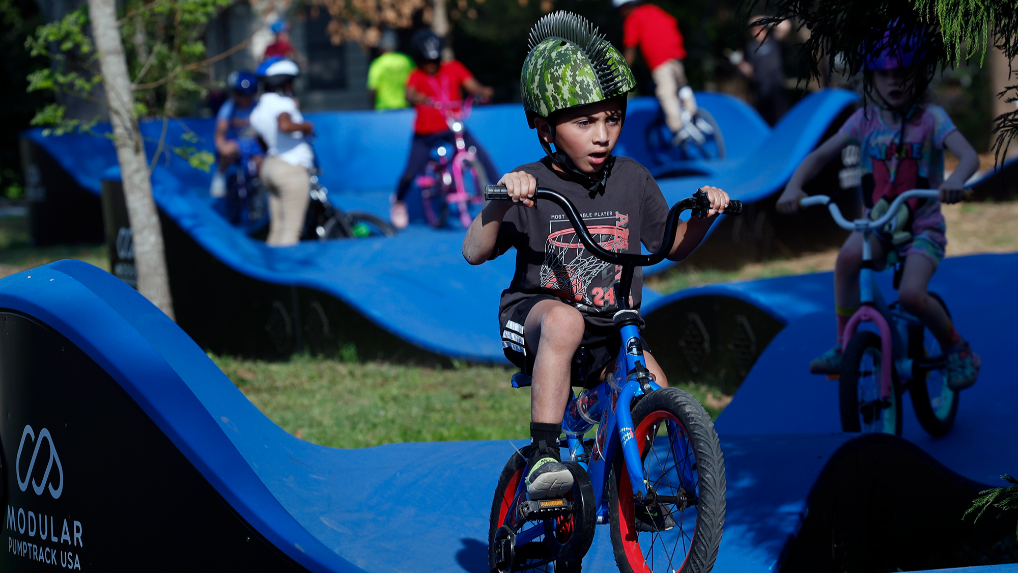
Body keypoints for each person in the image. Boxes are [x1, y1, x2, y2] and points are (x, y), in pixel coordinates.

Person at [461, 11, 731, 499]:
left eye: (612, 118)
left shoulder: (632, 179)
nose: (603, 134)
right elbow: (473, 251)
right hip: (537, 322)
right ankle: (545, 455)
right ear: (546, 129)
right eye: (584, 122)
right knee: (565, 322)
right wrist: (500, 200)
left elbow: (669, 245)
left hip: (610, 332)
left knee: (652, 380)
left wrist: (706, 215)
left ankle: (623, 485)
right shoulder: (531, 183)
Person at [775, 27, 981, 390]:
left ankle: (958, 348)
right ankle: (844, 344)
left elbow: (967, 155)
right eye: (883, 74)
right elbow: (820, 156)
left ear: (919, 75)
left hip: (922, 229)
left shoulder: (931, 119)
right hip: (878, 225)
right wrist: (795, 185)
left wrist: (955, 180)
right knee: (846, 261)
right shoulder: (863, 121)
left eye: (902, 73)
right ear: (870, 79)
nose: (893, 81)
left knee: (911, 296)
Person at [389, 29, 498, 229]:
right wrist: (416, 97)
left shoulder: (453, 68)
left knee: (480, 155)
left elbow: (471, 84)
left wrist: (483, 91)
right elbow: (409, 93)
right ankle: (398, 201)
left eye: (435, 60)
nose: (431, 66)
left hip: (452, 126)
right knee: (410, 173)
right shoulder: (416, 75)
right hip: (425, 132)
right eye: (425, 61)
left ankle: (503, 194)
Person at [250, 58, 315, 246]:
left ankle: (270, 272)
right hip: (290, 168)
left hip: (271, 166)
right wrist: (306, 126)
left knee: (278, 228)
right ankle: (287, 274)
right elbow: (284, 124)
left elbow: (261, 139)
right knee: (291, 230)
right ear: (285, 82)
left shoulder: (260, 107)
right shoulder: (282, 103)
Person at [614, 0, 696, 143]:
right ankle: (694, 115)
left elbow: (630, 47)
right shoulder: (653, 9)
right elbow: (672, 22)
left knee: (665, 92)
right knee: (681, 84)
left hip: (659, 59)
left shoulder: (633, 18)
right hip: (676, 53)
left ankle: (677, 127)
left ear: (626, 7)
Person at [210, 70, 261, 198]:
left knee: (261, 160)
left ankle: (262, 189)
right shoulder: (229, 108)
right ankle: (220, 176)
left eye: (248, 95)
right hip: (235, 146)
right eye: (241, 95)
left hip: (255, 146)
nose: (244, 99)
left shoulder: (258, 107)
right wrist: (222, 146)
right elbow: (220, 133)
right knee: (230, 148)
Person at [733, 15, 791, 126]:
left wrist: (763, 19)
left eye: (757, 27)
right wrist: (740, 65)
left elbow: (785, 25)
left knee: (782, 122)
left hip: (777, 89)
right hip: (761, 92)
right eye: (752, 28)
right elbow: (751, 72)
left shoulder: (774, 40)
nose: (754, 30)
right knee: (766, 124)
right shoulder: (750, 47)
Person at [367, 30, 414, 110]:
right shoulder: (406, 61)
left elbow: (373, 89)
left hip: (384, 108)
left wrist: (372, 105)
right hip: (404, 107)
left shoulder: (378, 63)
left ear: (382, 47)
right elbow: (414, 84)